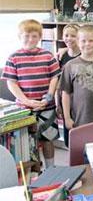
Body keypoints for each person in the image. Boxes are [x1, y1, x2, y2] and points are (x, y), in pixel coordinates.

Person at [1, 19, 61, 169]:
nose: (30, 40)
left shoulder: (48, 55)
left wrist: (48, 96)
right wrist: (27, 101)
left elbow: (54, 77)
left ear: (40, 36)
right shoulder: (13, 57)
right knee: (27, 142)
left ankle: (51, 168)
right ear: (20, 36)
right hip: (24, 108)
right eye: (26, 36)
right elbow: (11, 83)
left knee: (48, 140)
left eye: (34, 36)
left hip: (46, 106)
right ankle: (35, 171)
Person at [55, 23, 81, 147]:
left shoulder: (84, 55)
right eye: (66, 35)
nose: (69, 38)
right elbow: (57, 80)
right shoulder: (61, 56)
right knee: (69, 139)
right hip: (65, 101)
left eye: (73, 36)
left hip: (80, 101)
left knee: (81, 135)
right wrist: (57, 101)